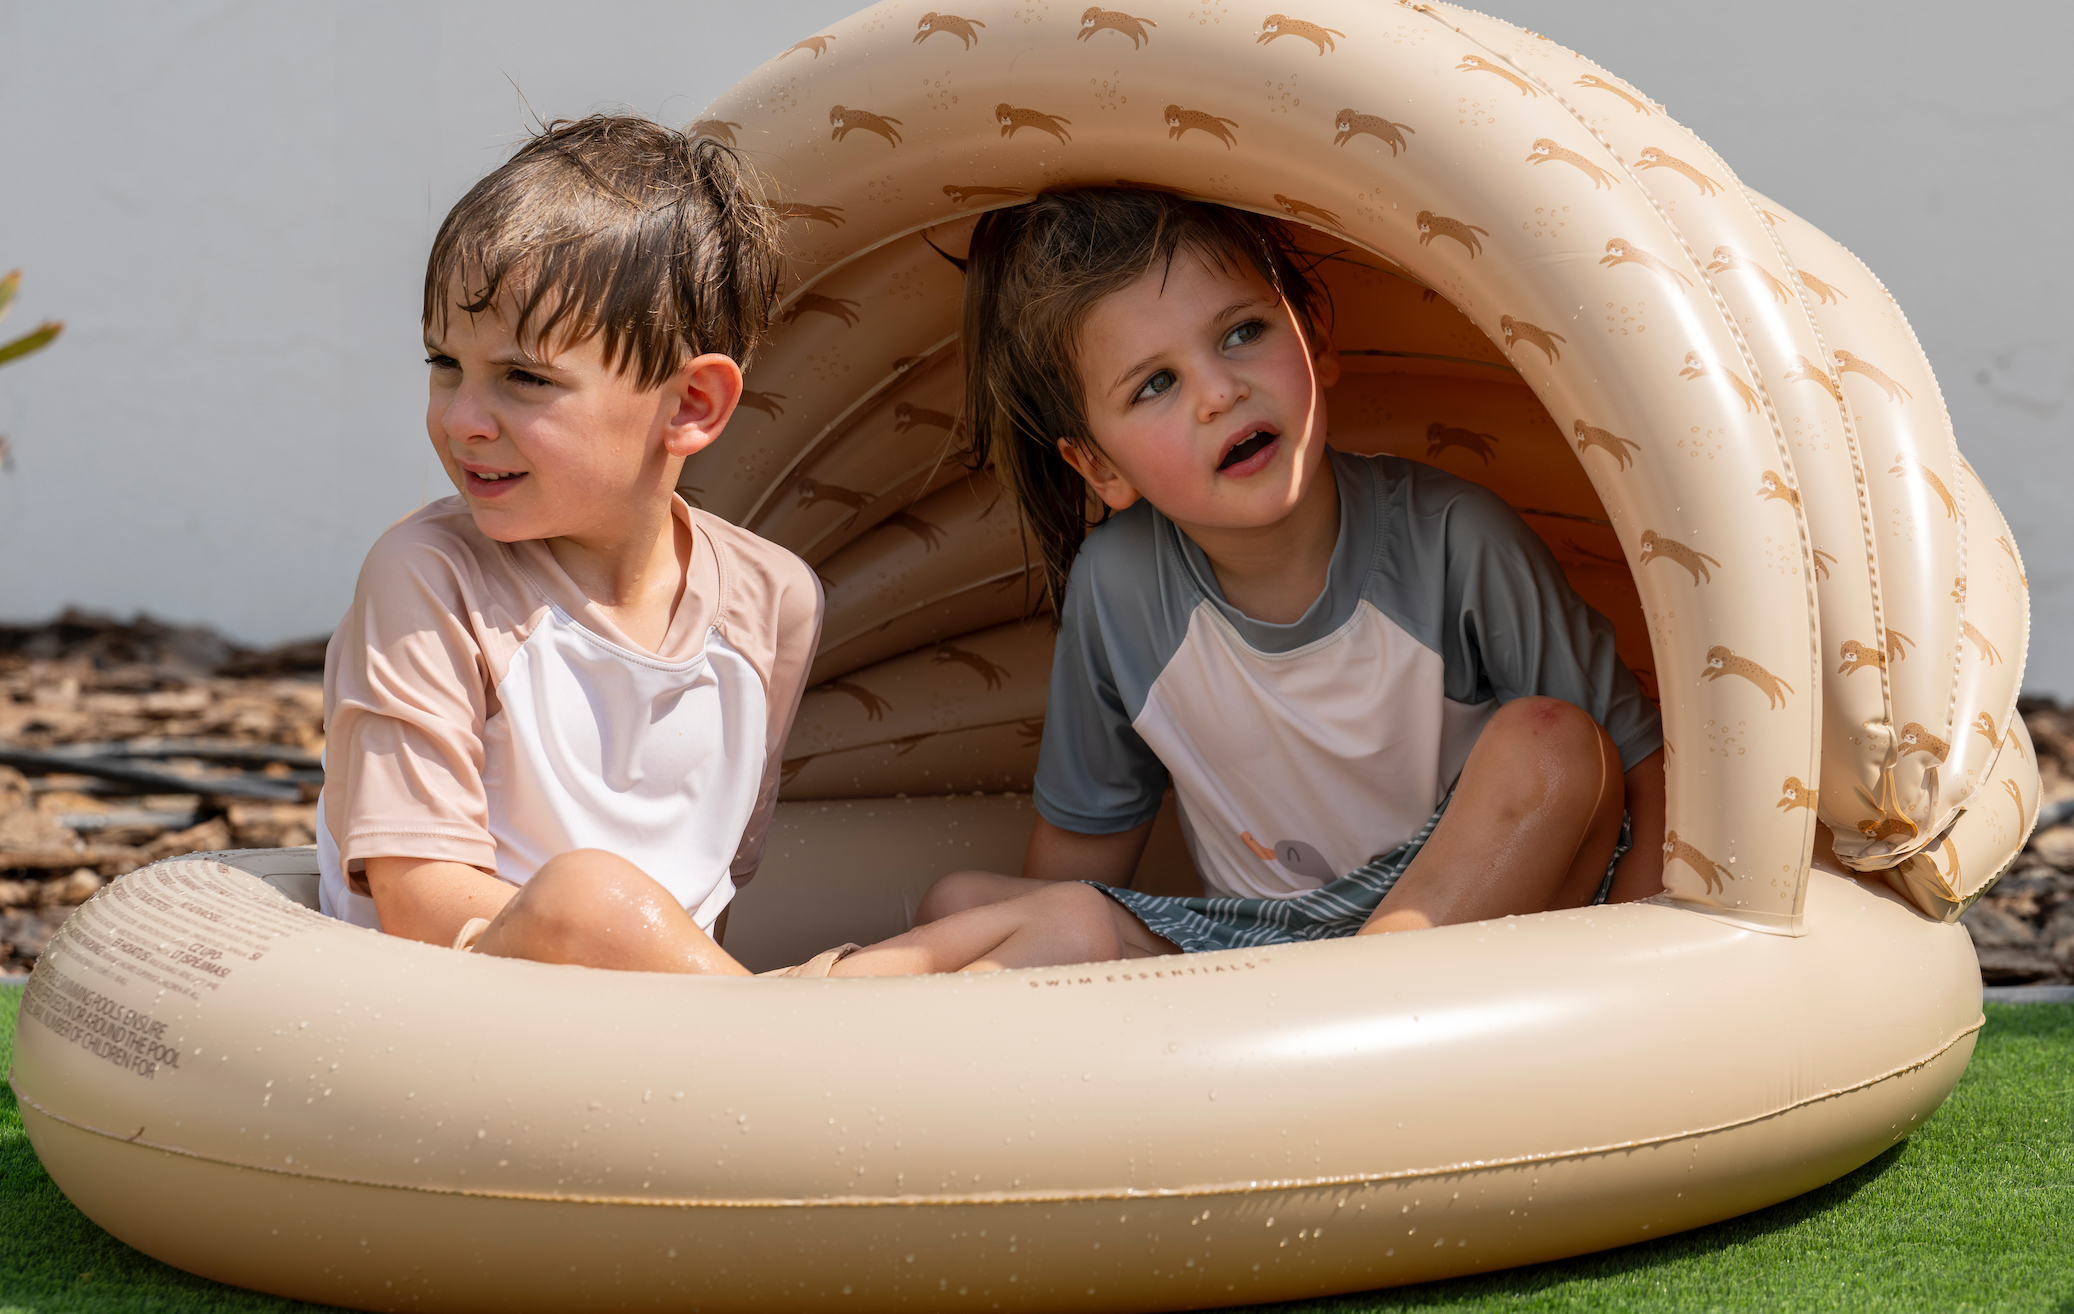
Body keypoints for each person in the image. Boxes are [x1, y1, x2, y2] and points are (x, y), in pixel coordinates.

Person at [823, 188, 1664, 976]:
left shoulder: (1452, 539)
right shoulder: (1119, 591)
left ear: (1316, 342)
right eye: (1156, 384)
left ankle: (1367, 1000)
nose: (1221, 392)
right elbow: (1075, 871)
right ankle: (815, 1000)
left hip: (1464, 911)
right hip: (1258, 947)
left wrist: (1641, 977)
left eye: (1241, 333)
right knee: (967, 907)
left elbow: (1643, 781)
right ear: (1100, 468)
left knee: (1554, 745)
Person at [316, 115, 821, 975]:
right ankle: (795, 1043)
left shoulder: (772, 602)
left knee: (1030, 920)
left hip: (677, 1017)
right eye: (445, 364)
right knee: (587, 895)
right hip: (473, 1009)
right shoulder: (431, 579)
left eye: (524, 377)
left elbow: (713, 894)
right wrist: (596, 928)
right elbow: (418, 901)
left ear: (691, 405)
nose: (461, 420)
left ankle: (790, 1036)